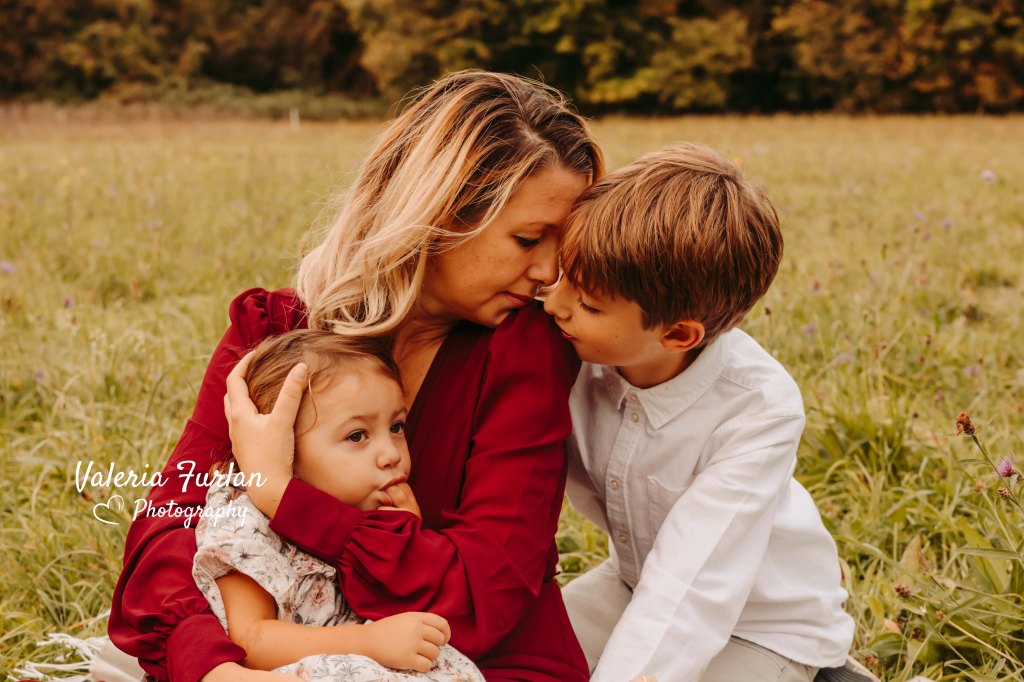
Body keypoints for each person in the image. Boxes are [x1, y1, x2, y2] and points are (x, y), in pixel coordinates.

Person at [108, 69, 603, 682]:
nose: (550, 272)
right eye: (528, 239)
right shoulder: (275, 333)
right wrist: (212, 666)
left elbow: (485, 591)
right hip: (268, 657)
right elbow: (174, 522)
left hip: (473, 663)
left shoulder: (523, 349)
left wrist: (284, 498)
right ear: (436, 215)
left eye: (562, 243)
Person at [542, 143, 858, 682]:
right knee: (510, 660)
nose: (554, 304)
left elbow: (691, 587)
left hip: (765, 624)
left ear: (678, 334)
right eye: (562, 277)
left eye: (589, 304)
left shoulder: (757, 409)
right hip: (632, 584)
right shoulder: (577, 352)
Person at [192, 329, 483, 682]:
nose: (391, 454)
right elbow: (252, 641)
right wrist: (368, 642)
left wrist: (404, 537)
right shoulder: (246, 521)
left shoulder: (370, 504)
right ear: (284, 447)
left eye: (396, 426)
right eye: (357, 435)